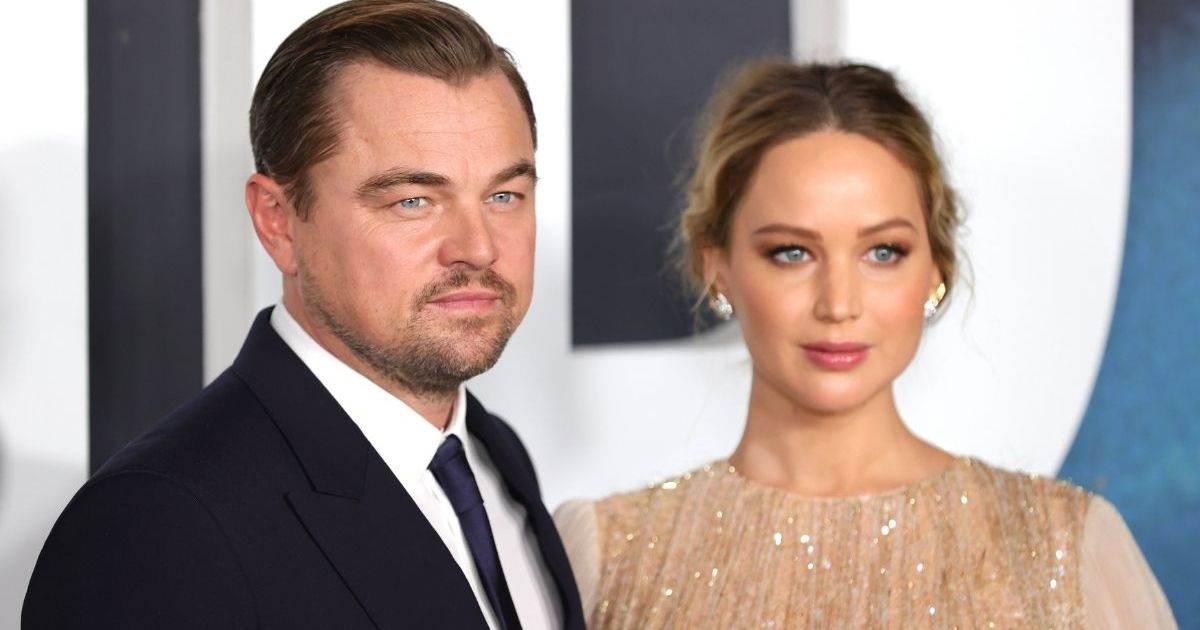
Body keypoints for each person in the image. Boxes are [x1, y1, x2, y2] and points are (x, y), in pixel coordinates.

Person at [554, 60, 1176, 629]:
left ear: (934, 270)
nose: (839, 303)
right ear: (717, 268)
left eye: (883, 252)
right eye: (791, 252)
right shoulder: (611, 560)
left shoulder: (1067, 548)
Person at [23, 1, 584, 628]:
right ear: (279, 222)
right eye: (413, 201)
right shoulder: (157, 528)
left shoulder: (493, 455)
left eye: (504, 195)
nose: (478, 248)